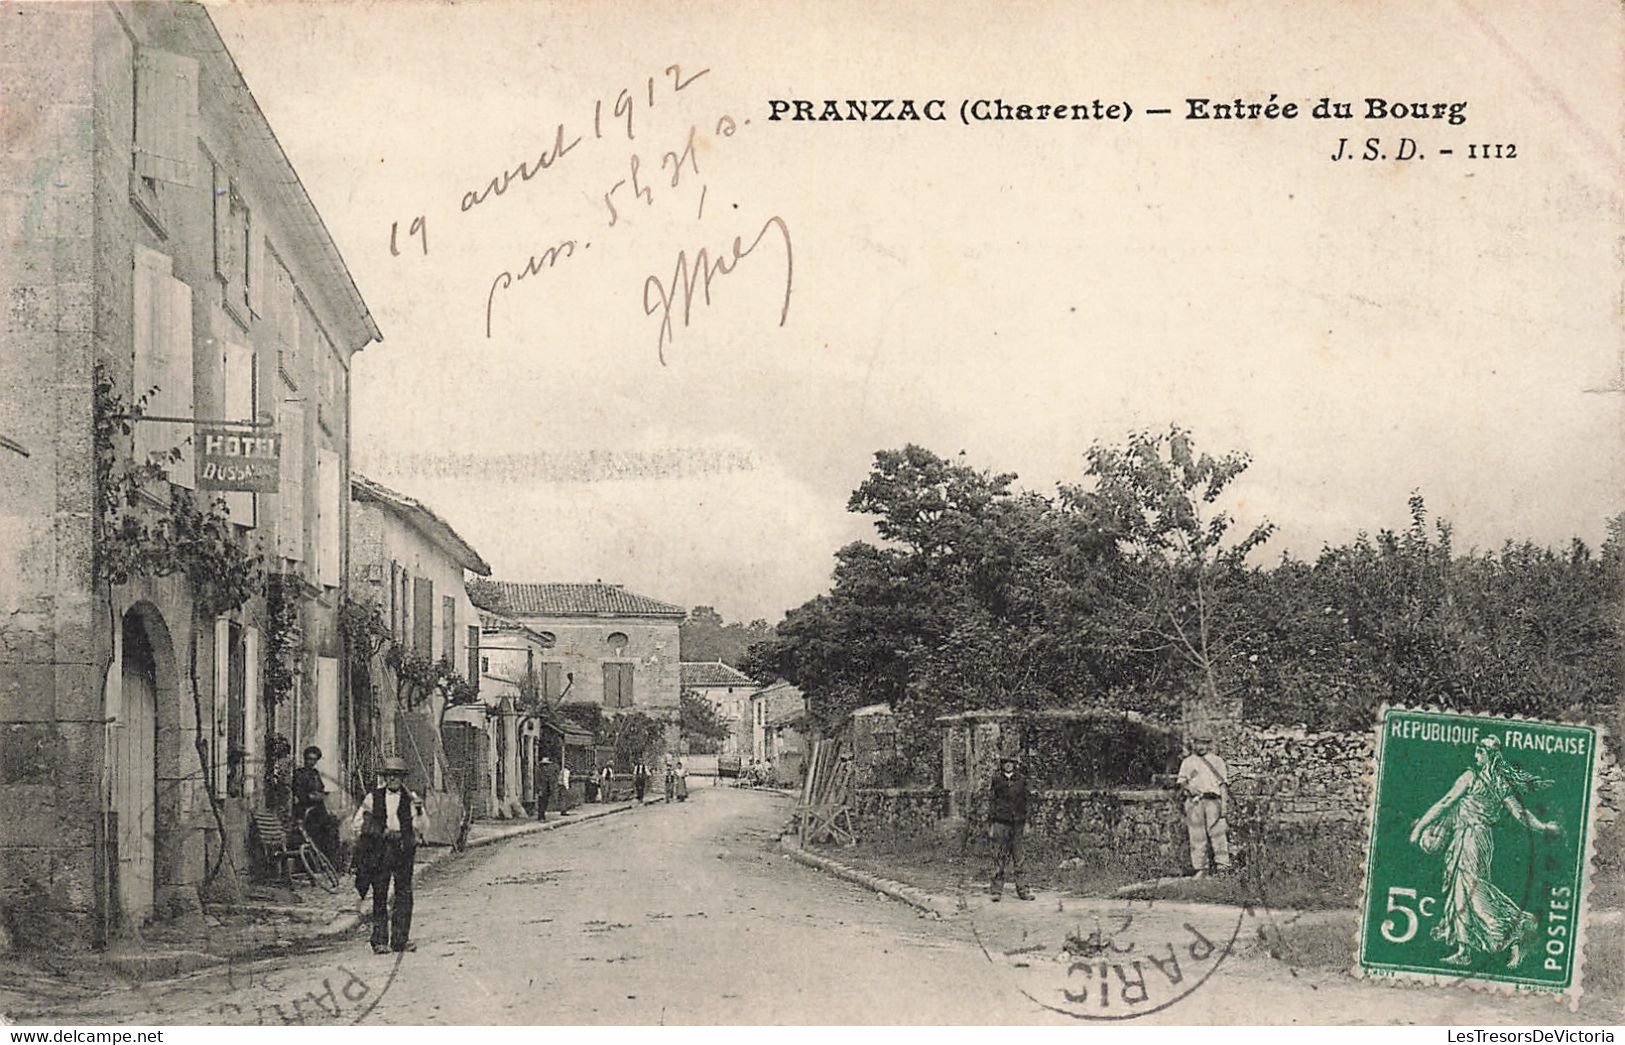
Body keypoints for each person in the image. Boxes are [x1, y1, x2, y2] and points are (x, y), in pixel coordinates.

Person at [1409, 735, 1558, 968]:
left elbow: (1445, 802)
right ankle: (1465, 948)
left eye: (1480, 751)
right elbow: (1520, 814)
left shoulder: (1472, 778)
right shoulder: (1501, 784)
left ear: (1490, 756)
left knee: (1470, 891)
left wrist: (1419, 828)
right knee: (1463, 891)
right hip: (1475, 839)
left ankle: (1518, 927)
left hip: (1471, 838)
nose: (1475, 755)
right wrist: (1543, 827)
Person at [350, 756, 428, 954]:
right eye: (389, 775)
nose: (393, 779)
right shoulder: (372, 797)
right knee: (380, 893)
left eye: (397, 775)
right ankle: (379, 941)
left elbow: (423, 827)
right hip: (380, 849)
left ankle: (400, 939)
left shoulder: (412, 799)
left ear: (403, 778)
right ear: (385, 777)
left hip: (403, 849)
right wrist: (378, 831)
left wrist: (419, 811)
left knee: (404, 894)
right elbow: (357, 823)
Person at [1177, 732, 1231, 878]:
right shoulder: (1188, 762)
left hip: (1214, 801)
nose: (1201, 746)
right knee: (1197, 835)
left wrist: (1224, 807)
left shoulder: (1217, 761)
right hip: (1195, 802)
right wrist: (1189, 787)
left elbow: (1223, 785)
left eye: (1205, 743)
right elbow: (1182, 782)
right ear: (1193, 744)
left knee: (1218, 834)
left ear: (1209, 745)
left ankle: (1223, 867)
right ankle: (1201, 869)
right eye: (1198, 743)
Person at [988, 755, 1033, 901]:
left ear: (1015, 765)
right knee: (999, 856)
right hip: (1001, 822)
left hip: (1018, 823)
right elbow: (992, 802)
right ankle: (996, 890)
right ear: (1002, 765)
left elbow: (1027, 802)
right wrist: (991, 824)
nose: (1008, 765)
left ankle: (1023, 889)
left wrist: (1027, 822)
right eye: (1005, 763)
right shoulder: (997, 780)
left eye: (1011, 763)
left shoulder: (1021, 780)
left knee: (1019, 857)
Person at [290, 745, 339, 867]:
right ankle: (311, 865)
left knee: (331, 828)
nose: (311, 762)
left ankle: (329, 863)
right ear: (305, 759)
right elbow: (299, 792)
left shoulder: (316, 774)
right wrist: (311, 796)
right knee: (313, 833)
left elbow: (321, 789)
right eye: (309, 759)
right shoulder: (299, 773)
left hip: (318, 809)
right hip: (305, 810)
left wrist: (320, 795)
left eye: (314, 759)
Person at [535, 756, 555, 821]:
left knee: (545, 803)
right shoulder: (539, 771)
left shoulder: (547, 771)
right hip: (542, 789)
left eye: (547, 765)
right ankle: (540, 816)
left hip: (547, 788)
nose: (545, 766)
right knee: (541, 803)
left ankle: (543, 816)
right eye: (544, 764)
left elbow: (549, 779)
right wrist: (539, 789)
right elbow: (537, 781)